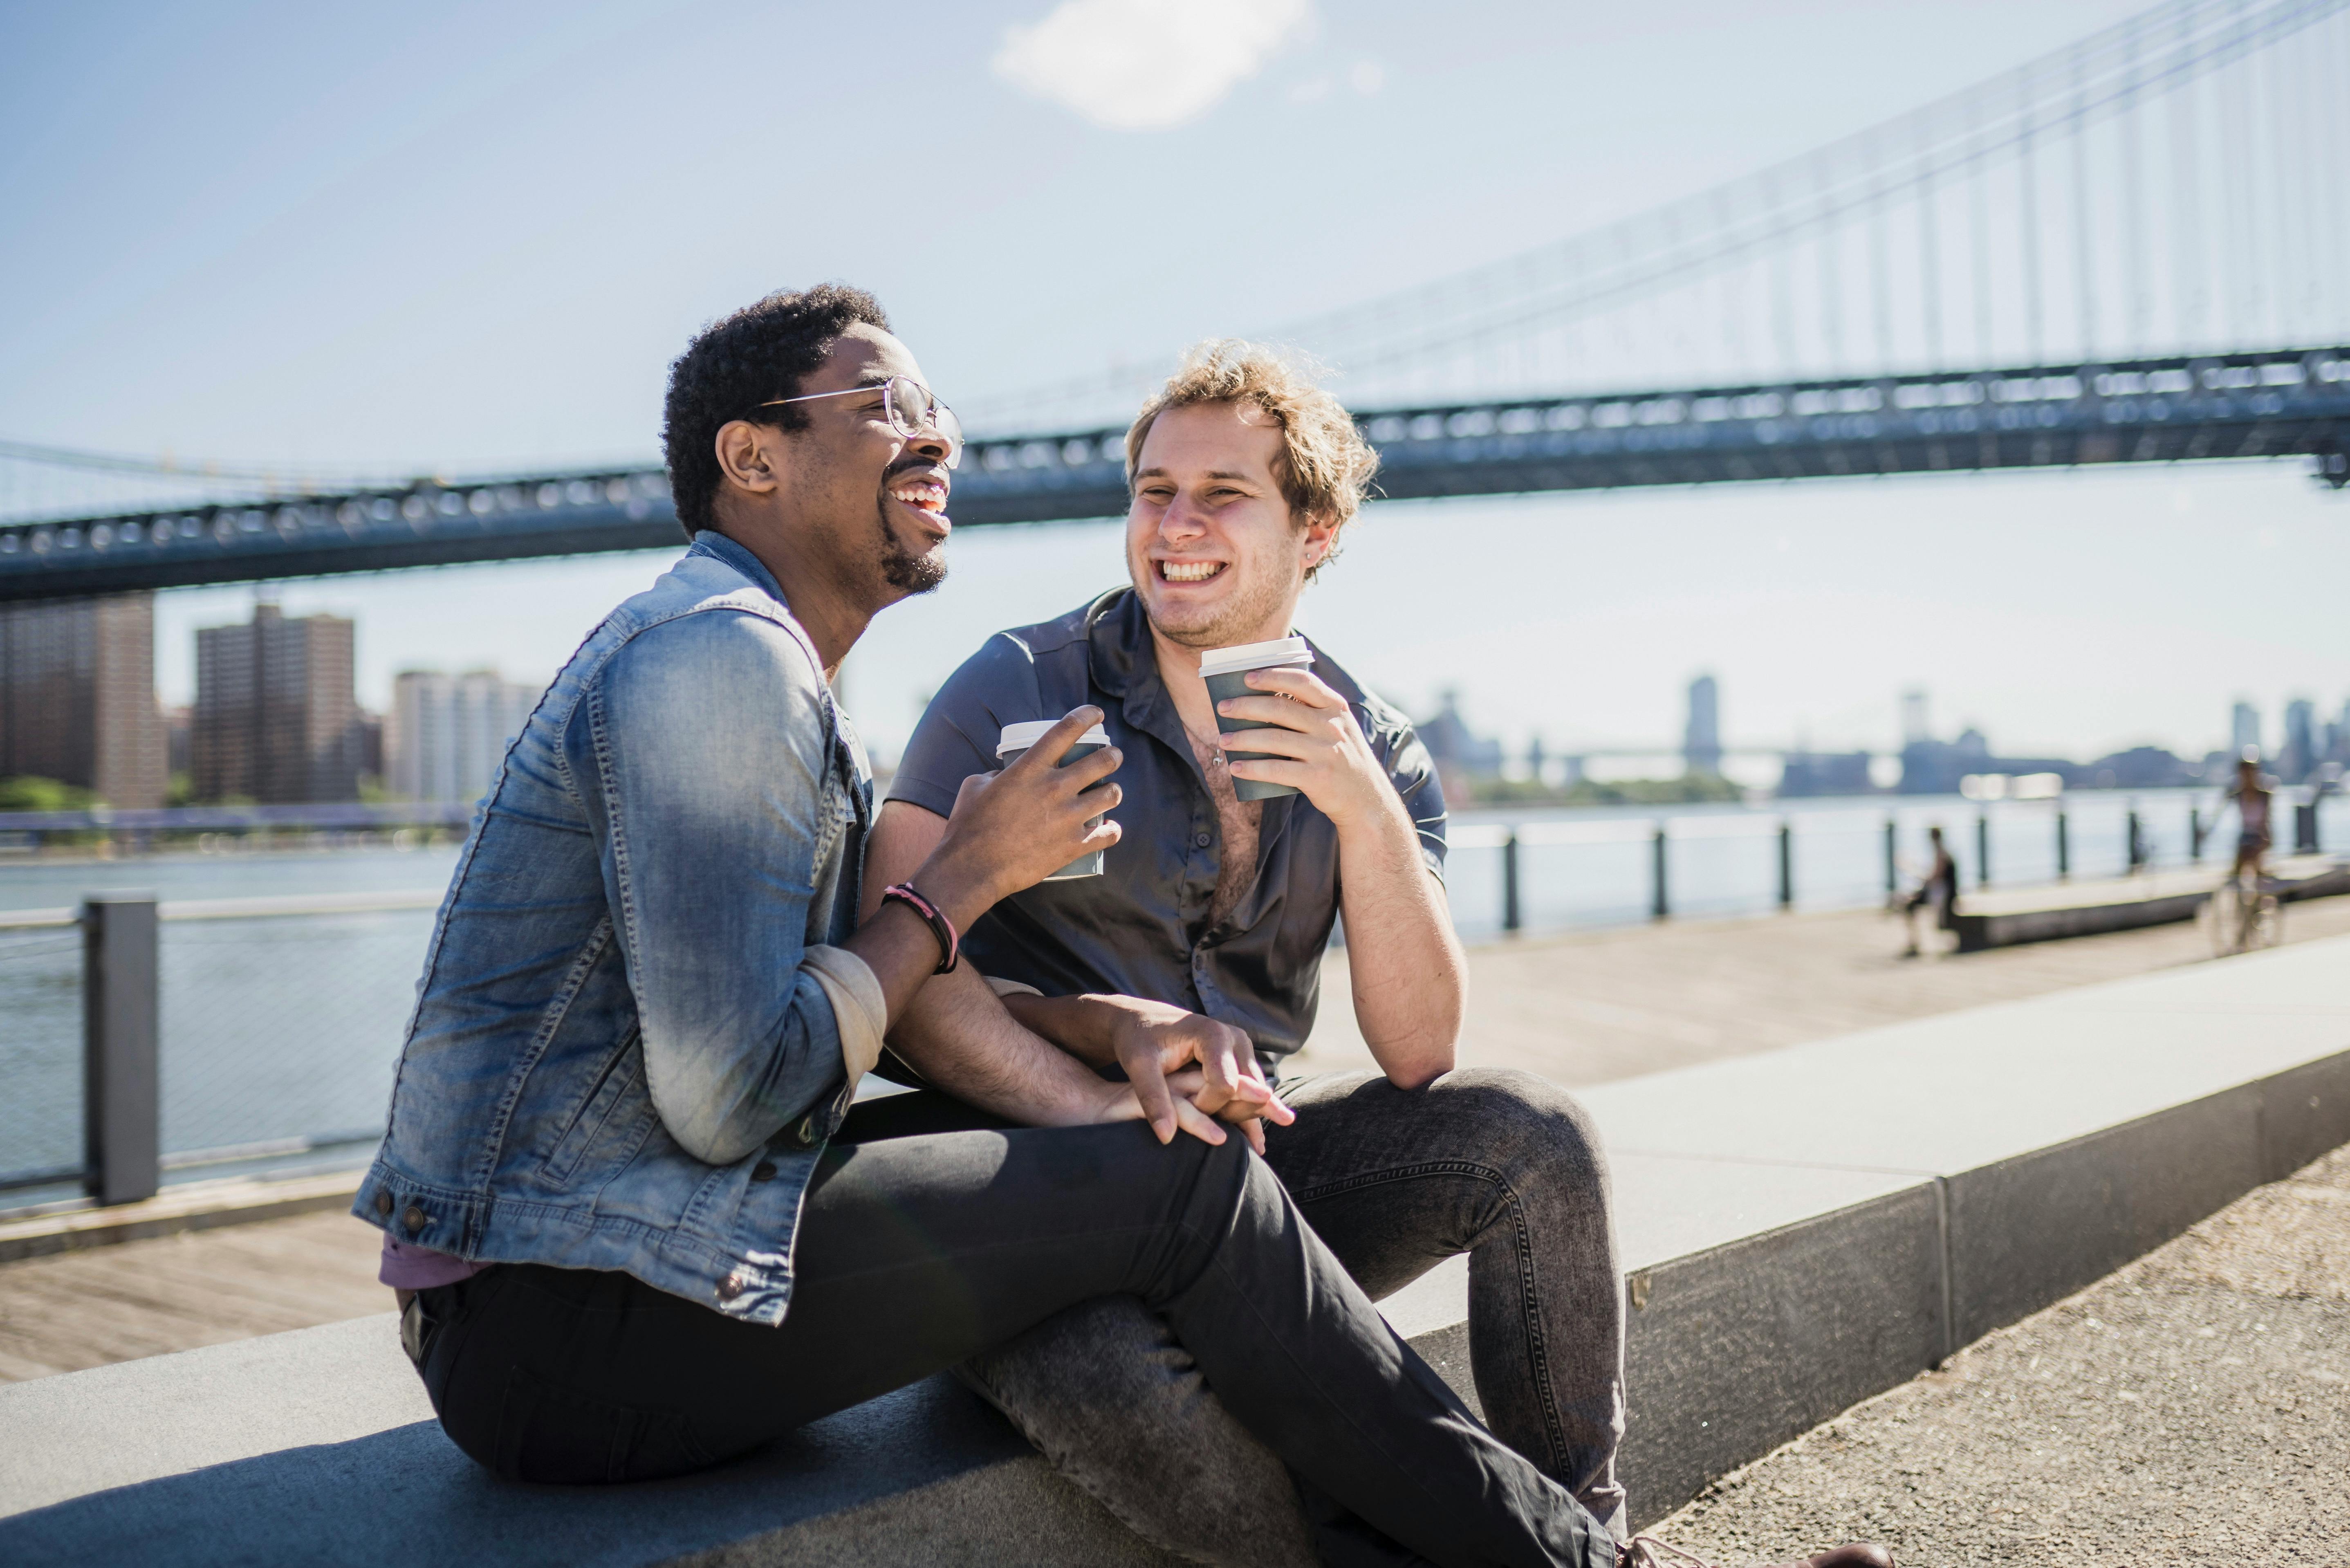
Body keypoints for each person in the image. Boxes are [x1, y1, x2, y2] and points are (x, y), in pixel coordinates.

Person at [347, 287, 1877, 1568]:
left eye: (1225, 493)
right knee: (1186, 1193)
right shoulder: (740, 661)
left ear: (1314, 530)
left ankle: (1558, 1541)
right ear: (754, 457)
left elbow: (777, 1052)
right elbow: (741, 1083)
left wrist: (1128, 1016)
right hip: (577, 1318)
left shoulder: (762, 662)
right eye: (887, 405)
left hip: (676, 1249)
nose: (939, 432)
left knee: (1450, 1142)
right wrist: (973, 904)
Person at [867, 341, 1887, 1568]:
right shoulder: (1016, 684)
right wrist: (1087, 1103)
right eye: (1152, 490)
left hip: (1248, 1186)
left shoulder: (1375, 743)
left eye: (1222, 494)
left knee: (1529, 1134)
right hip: (1027, 1200)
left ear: (1320, 528)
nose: (1172, 525)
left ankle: (1589, 1529)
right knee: (1106, 1372)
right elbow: (900, 966)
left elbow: (1418, 1043)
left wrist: (1362, 806)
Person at [1898, 825, 1958, 958]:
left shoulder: (1941, 854)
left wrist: (1912, 869)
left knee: (1909, 906)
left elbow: (1934, 879)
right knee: (1910, 904)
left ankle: (1915, 943)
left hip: (1942, 895)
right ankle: (1915, 942)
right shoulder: (1943, 852)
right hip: (1942, 893)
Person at [2215, 751, 2275, 884]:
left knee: (2253, 859)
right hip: (2246, 835)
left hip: (2261, 834)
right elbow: (2219, 812)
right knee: (2239, 868)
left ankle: (2259, 893)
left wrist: (2266, 839)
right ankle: (2244, 897)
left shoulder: (2265, 795)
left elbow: (2267, 820)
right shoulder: (2238, 794)